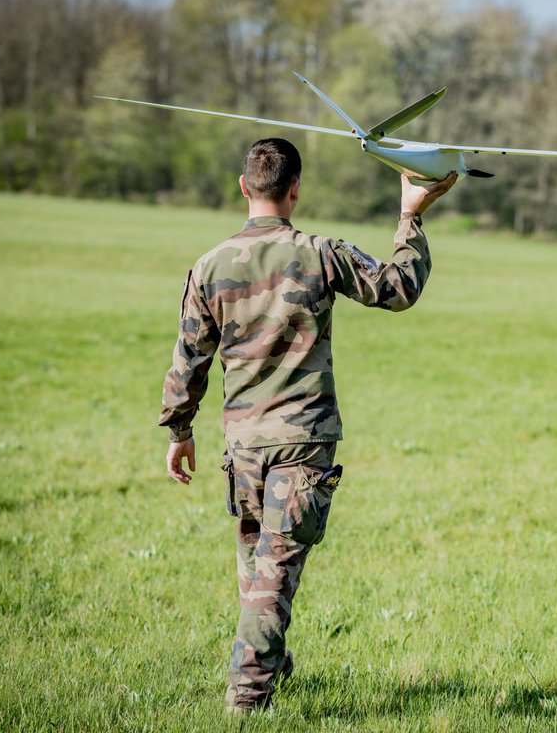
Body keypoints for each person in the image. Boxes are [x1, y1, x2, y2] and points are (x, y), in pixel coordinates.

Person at [158, 137, 456, 713]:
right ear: (295, 189)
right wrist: (410, 217)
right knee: (270, 576)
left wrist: (179, 432)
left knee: (258, 567)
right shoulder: (321, 252)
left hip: (242, 446)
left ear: (245, 188)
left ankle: (275, 665)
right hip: (302, 444)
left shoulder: (208, 265)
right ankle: (248, 699)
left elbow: (188, 359)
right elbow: (398, 289)